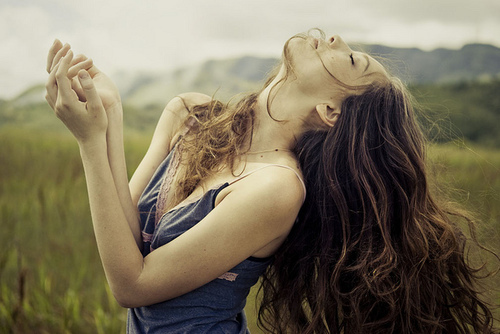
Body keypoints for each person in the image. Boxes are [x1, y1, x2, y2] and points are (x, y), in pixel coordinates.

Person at [45, 30, 497, 333]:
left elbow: (131, 286)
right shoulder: (190, 115)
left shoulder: (277, 188)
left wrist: (89, 144)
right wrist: (107, 118)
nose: (337, 38)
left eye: (353, 58)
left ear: (331, 112)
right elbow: (127, 243)